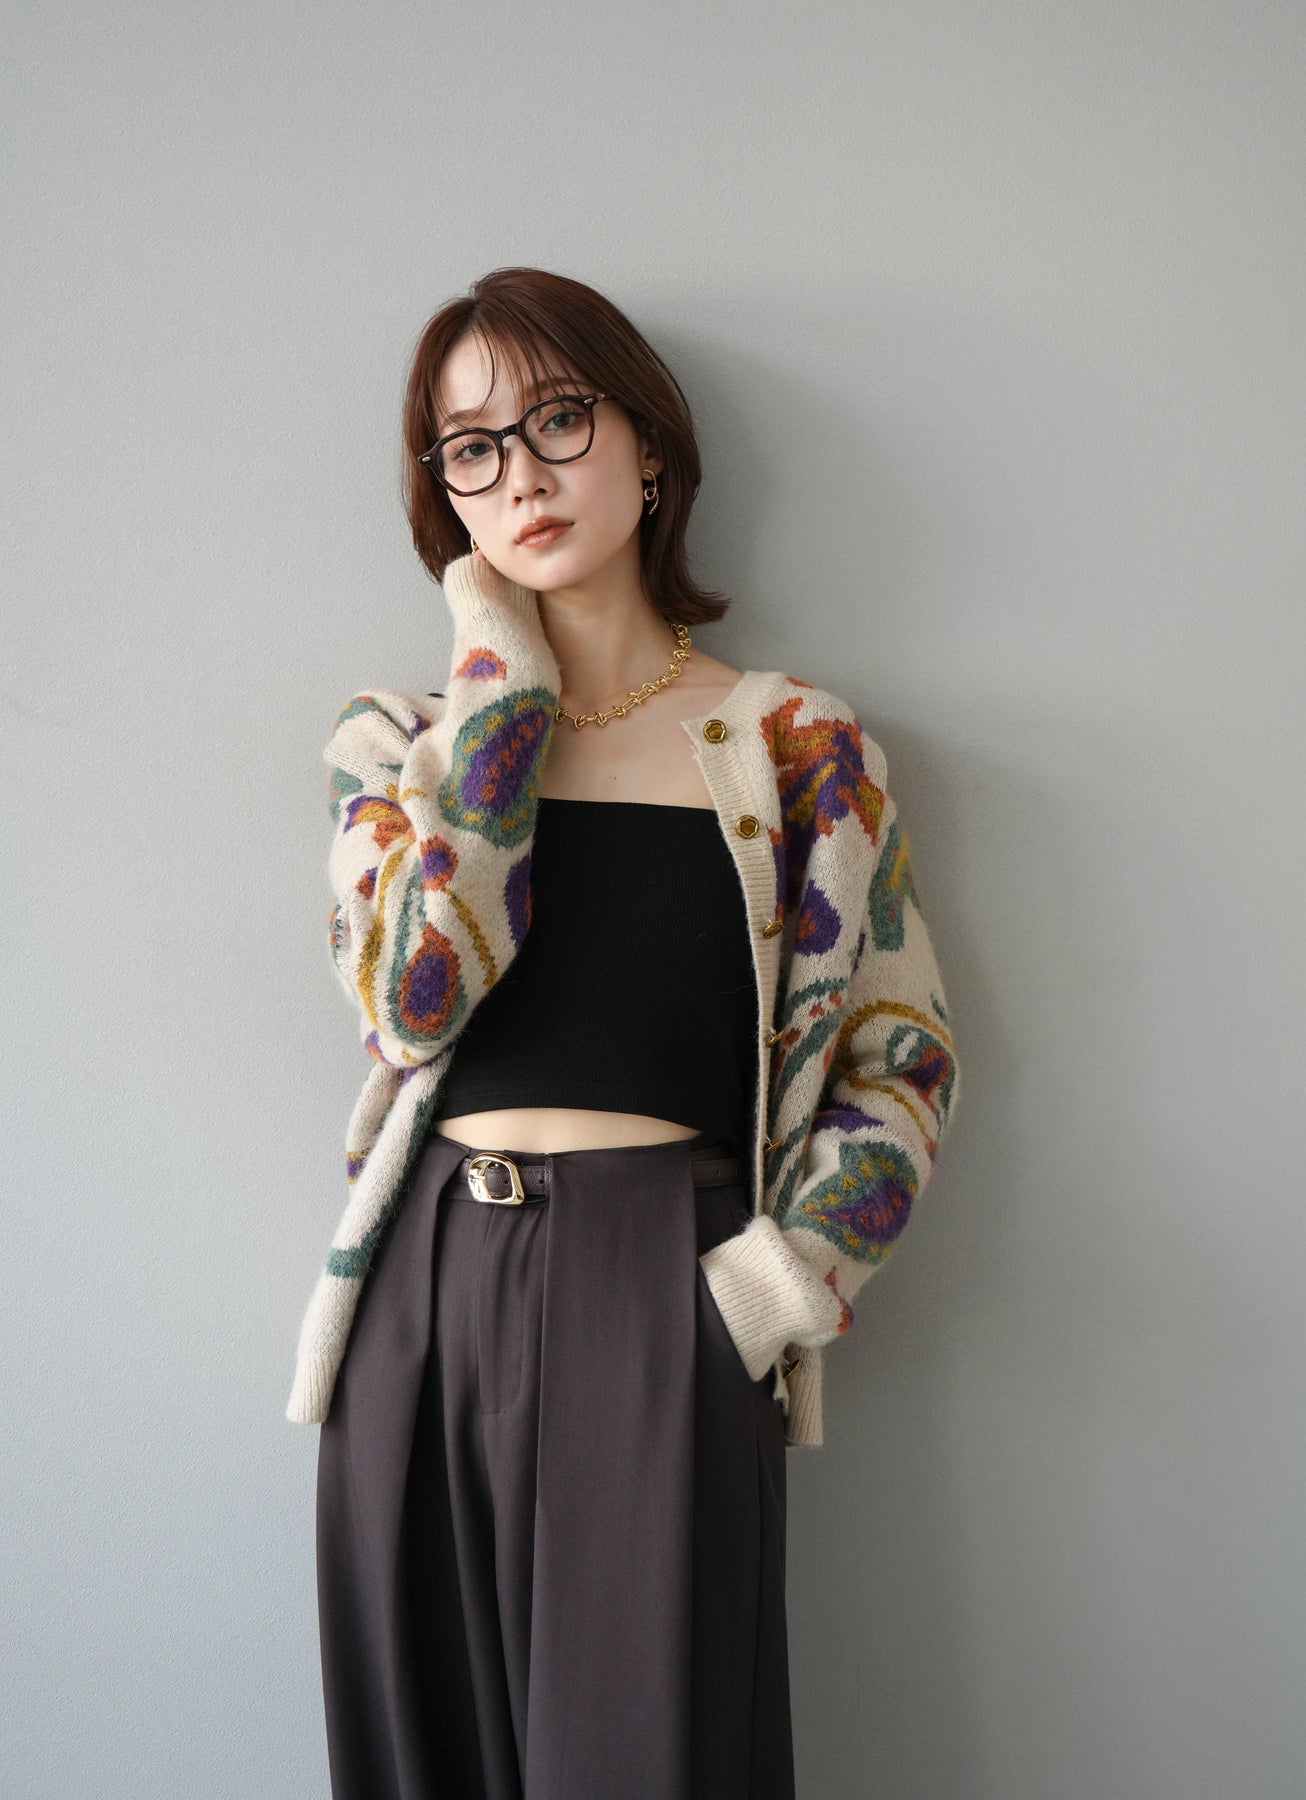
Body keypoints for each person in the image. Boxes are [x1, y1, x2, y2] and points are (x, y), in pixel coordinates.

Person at [287, 266, 962, 1799]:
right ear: (443, 495)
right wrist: (501, 688)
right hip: (418, 1296)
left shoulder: (799, 747)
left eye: (557, 420)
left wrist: (769, 1293)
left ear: (646, 444)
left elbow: (901, 1058)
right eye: (471, 448)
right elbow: (410, 998)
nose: (520, 476)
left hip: (667, 1283)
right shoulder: (395, 747)